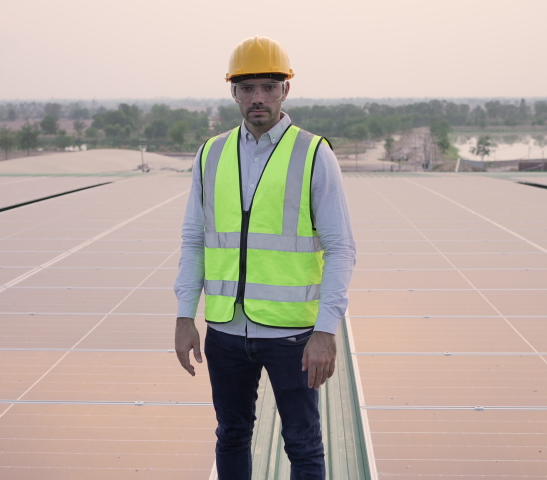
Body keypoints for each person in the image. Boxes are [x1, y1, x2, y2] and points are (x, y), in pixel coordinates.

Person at [173, 35, 356, 480]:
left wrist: (326, 332)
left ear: (285, 90)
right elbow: (193, 239)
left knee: (303, 442)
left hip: (293, 335)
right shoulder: (210, 154)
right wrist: (184, 316)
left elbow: (341, 248)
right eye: (248, 87)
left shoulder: (314, 154)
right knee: (231, 434)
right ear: (233, 91)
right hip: (225, 332)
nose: (258, 98)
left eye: (269, 87)